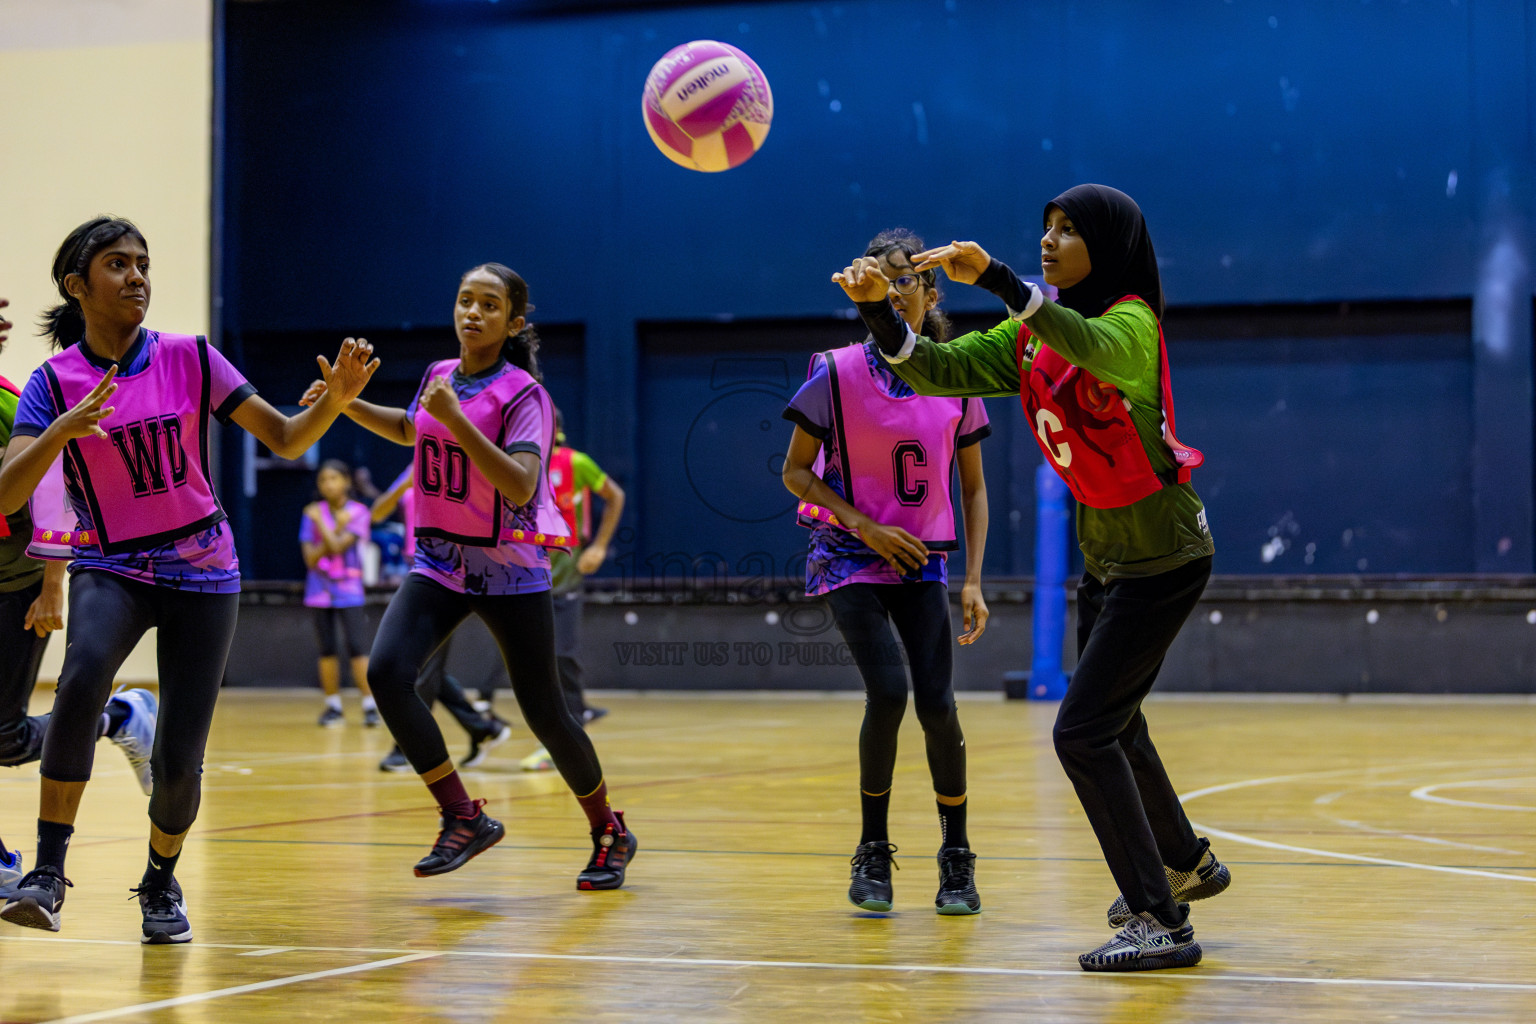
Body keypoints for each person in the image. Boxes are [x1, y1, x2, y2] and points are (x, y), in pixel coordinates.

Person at [832, 185, 1228, 971]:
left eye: (1069, 230)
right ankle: (1183, 861)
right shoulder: (1026, 337)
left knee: (1081, 732)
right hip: (1107, 556)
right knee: (1117, 722)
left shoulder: (1132, 325)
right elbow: (936, 370)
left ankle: (1160, 918)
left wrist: (1004, 279)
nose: (1050, 240)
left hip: (1165, 556)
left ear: (1108, 248)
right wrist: (883, 312)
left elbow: (1087, 343)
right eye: (1045, 228)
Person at [0, 217, 378, 942]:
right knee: (80, 678)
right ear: (78, 286)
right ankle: (48, 873)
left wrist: (334, 400)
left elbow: (287, 436)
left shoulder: (192, 358)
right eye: (117, 264)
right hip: (112, 564)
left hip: (203, 568)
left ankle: (160, 882)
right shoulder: (52, 385)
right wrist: (59, 431)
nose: (137, 275)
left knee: (180, 758)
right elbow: (9, 496)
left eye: (142, 262)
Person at [302, 262, 636, 888]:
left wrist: (457, 421)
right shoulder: (438, 375)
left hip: (507, 565)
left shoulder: (524, 394)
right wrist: (346, 404)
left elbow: (521, 481)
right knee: (386, 673)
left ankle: (609, 831)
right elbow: (409, 429)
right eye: (464, 300)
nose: (473, 313)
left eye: (488, 304)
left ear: (513, 322)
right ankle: (462, 815)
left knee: (547, 714)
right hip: (440, 561)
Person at [784, 229, 992, 915]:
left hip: (923, 564)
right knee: (890, 694)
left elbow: (974, 488)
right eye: (888, 278)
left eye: (910, 279)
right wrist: (865, 525)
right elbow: (794, 473)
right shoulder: (835, 371)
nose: (899, 289)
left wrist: (973, 579)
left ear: (932, 292)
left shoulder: (957, 374)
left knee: (938, 705)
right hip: (848, 556)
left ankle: (956, 857)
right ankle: (873, 848)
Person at [0, 296, 157, 897]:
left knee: (6, 737)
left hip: (14, 585)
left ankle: (121, 715)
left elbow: (55, 493)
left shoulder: (14, 403)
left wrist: (51, 583)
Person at [370, 466, 512, 773]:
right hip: (418, 571)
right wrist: (403, 484)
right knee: (426, 664)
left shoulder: (464, 462)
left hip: (450, 574)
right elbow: (377, 513)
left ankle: (406, 748)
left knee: (420, 666)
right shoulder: (418, 463)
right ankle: (482, 728)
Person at [519, 409, 625, 772]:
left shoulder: (575, 462)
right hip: (523, 574)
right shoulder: (516, 462)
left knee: (561, 655)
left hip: (564, 575)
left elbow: (615, 496)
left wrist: (598, 547)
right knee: (533, 660)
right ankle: (569, 723)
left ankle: (565, 739)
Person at [301, 459, 381, 728]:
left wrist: (326, 526)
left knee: (358, 648)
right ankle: (333, 706)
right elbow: (311, 559)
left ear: (346, 481)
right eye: (323, 480)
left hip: (349, 590)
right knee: (327, 650)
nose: (328, 484)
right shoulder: (311, 512)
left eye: (334, 478)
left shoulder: (358, 512)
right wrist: (332, 527)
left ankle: (370, 705)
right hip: (318, 591)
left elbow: (335, 547)